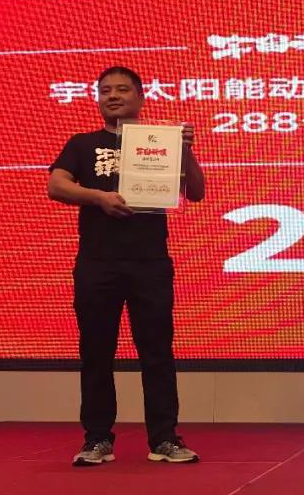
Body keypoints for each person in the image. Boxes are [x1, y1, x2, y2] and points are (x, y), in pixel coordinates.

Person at [48, 66, 206, 466]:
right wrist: (98, 198)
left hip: (149, 262)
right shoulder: (83, 144)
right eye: (105, 91)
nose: (113, 96)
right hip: (97, 263)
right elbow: (56, 184)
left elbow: (197, 192)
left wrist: (185, 149)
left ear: (141, 97)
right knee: (96, 352)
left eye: (122, 89)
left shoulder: (162, 141)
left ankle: (164, 438)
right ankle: (97, 439)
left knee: (157, 352)